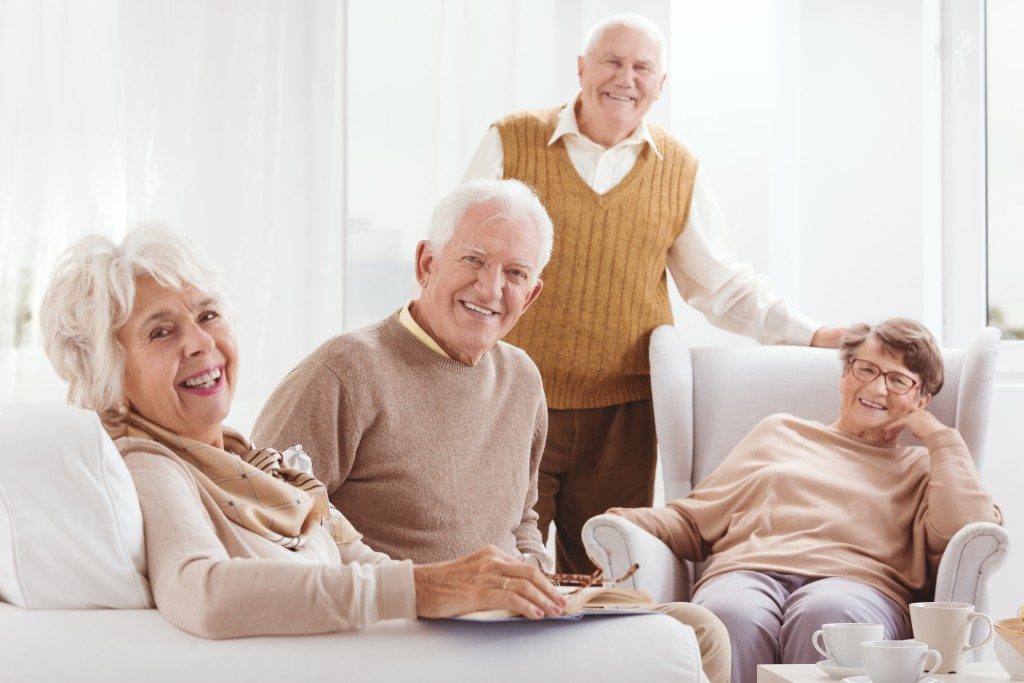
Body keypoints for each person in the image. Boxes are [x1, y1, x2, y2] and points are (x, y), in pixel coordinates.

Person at [252, 179, 733, 683]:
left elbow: (522, 517)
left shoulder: (521, 377)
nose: (491, 288)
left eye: (515, 273)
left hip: (511, 624)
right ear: (426, 263)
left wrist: (539, 577)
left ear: (531, 295)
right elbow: (268, 529)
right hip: (416, 632)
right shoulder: (344, 370)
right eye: (473, 261)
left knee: (700, 631)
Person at [39, 223, 568, 638]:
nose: (201, 343)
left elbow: (358, 558)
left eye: (208, 315)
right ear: (111, 373)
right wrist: (422, 588)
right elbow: (203, 593)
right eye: (161, 332)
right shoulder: (150, 464)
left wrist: (481, 592)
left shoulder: (251, 463)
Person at [462, 13, 844, 574]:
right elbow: (458, 253)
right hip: (511, 396)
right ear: (581, 68)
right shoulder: (511, 141)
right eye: (612, 61)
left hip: (625, 418)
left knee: (606, 577)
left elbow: (723, 285)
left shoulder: (678, 170)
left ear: (660, 84)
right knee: (493, 566)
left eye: (643, 67)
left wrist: (811, 334)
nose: (626, 77)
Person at [609, 319, 1002, 683]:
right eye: (866, 369)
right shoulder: (780, 432)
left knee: (829, 615)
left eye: (899, 380)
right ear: (846, 375)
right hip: (747, 571)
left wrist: (938, 437)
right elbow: (694, 521)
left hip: (857, 585)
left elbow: (966, 530)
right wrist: (625, 520)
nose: (877, 388)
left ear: (923, 398)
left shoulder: (923, 466)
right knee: (728, 615)